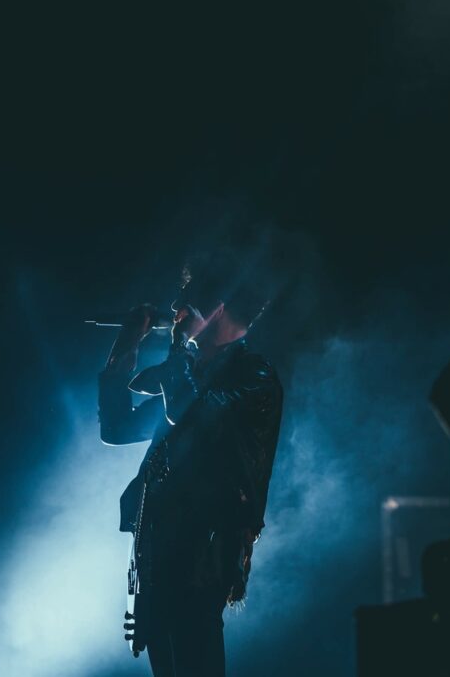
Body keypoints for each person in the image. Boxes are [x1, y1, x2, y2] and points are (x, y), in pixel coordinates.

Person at [98, 250, 284, 677]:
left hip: (203, 553)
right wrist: (127, 343)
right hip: (159, 550)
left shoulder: (253, 378)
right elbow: (117, 427)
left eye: (186, 300)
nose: (176, 310)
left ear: (215, 308)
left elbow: (188, 408)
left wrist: (181, 349)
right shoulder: (195, 376)